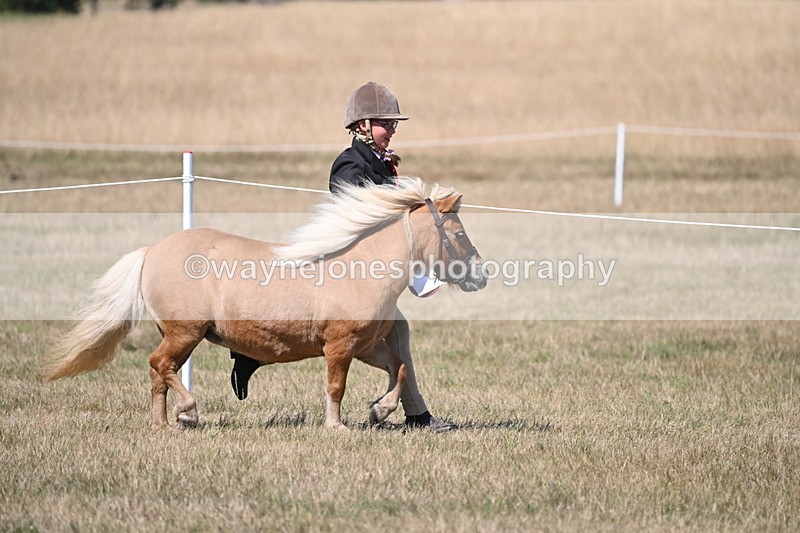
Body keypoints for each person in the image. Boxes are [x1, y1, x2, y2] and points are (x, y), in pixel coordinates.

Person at [230, 82, 455, 432]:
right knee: (393, 332)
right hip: (345, 276)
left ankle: (417, 414)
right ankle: (417, 416)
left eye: (395, 124)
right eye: (386, 123)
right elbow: (358, 216)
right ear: (363, 125)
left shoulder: (382, 164)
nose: (393, 130)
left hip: (372, 277)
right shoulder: (348, 165)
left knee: (399, 330)